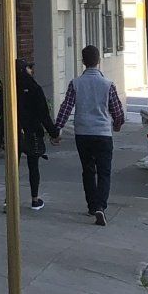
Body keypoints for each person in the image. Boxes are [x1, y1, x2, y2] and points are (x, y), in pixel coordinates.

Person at [54, 44, 126, 224]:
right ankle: (101, 206)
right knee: (104, 171)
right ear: (99, 61)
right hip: (102, 133)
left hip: (83, 132)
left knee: (87, 170)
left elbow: (66, 107)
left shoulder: (75, 83)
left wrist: (57, 129)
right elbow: (117, 111)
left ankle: (91, 206)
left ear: (83, 62)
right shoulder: (107, 84)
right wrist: (117, 125)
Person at [15, 60, 57, 210]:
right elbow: (43, 114)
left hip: (13, 131)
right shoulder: (34, 88)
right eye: (28, 67)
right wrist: (54, 132)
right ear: (24, 69)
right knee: (33, 165)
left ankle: (9, 198)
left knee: (13, 166)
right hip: (32, 131)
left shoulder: (9, 87)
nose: (31, 70)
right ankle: (35, 198)